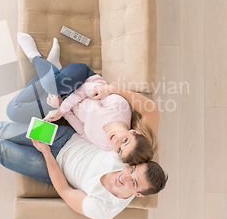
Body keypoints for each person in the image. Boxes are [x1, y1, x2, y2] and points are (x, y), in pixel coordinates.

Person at [0, 42, 168, 219]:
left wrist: (47, 154)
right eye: (133, 171)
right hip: (63, 136)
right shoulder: (129, 152)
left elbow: (64, 190)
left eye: (133, 182)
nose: (126, 175)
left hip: (47, 164)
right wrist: (110, 90)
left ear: (138, 194)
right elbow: (152, 111)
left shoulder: (105, 209)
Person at [16, 33, 159, 165]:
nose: (116, 142)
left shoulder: (105, 145)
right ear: (134, 132)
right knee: (53, 86)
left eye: (119, 150)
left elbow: (82, 131)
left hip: (66, 100)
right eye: (125, 141)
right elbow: (82, 91)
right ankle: (34, 55)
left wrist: (61, 106)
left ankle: (53, 69)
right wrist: (61, 110)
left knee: (14, 111)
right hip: (81, 80)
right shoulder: (119, 108)